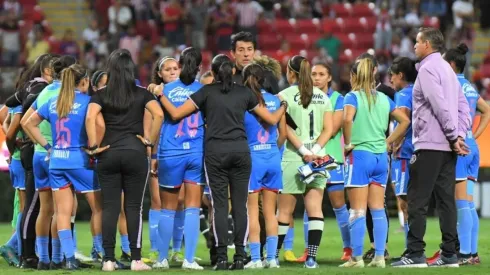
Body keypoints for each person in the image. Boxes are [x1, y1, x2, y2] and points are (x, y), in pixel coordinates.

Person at [155, 54, 286, 270]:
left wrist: (161, 95)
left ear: (214, 73)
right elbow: (271, 120)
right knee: (241, 207)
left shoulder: (206, 92)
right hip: (241, 152)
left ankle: (222, 257)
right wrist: (283, 105)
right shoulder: (245, 93)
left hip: (215, 152)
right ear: (233, 71)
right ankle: (241, 256)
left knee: (219, 206)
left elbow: (177, 114)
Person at [391, 27, 471, 268]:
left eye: (417, 42)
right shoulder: (447, 69)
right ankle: (450, 255)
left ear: (427, 44)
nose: (414, 46)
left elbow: (438, 105)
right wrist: (457, 135)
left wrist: (450, 133)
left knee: (417, 199)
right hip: (448, 148)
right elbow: (463, 107)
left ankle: (415, 253)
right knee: (446, 202)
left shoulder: (427, 70)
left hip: (429, 144)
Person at [85, 49, 164, 271]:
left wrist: (93, 146)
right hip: (135, 154)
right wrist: (149, 140)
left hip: (108, 153)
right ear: (131, 69)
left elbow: (90, 117)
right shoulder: (142, 93)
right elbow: (158, 114)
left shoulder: (101, 94)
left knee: (110, 207)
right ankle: (136, 259)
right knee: (133, 207)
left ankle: (108, 259)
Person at [23, 64, 103, 270]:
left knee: (62, 213)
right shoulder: (88, 102)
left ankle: (68, 258)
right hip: (80, 160)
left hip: (57, 160)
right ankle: (101, 254)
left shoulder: (52, 101)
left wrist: (48, 147)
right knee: (98, 209)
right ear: (84, 81)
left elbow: (29, 123)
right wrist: (93, 147)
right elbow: (101, 126)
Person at [340, 56, 410, 268]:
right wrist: (388, 141)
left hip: (360, 155)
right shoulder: (384, 98)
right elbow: (405, 121)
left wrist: (348, 143)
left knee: (358, 210)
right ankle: (380, 257)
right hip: (381, 157)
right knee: (378, 208)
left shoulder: (352, 97)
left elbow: (346, 119)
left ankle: (356, 258)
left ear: (354, 76)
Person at [428, 43, 490, 265]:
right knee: (469, 203)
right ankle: (472, 253)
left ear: (451, 64)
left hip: (460, 149)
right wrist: (474, 133)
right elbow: (487, 111)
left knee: (461, 202)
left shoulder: (451, 87)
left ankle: (462, 254)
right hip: (473, 147)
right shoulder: (471, 88)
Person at [274, 55, 333, 269]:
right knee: (315, 209)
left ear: (290, 72)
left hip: (293, 157)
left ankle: (273, 256)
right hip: (318, 159)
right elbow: (328, 129)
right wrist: (315, 151)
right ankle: (312, 259)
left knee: (284, 212)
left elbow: (285, 129)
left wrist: (302, 150)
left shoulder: (283, 96)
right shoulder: (323, 96)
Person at [152, 47, 205, 271]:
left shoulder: (164, 90)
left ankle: (162, 258)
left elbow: (156, 122)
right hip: (196, 152)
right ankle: (189, 259)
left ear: (180, 66)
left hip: (170, 152)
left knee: (167, 208)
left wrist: (153, 154)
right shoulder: (204, 90)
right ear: (200, 67)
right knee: (192, 208)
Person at [9, 54, 56, 269]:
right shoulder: (42, 89)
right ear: (45, 71)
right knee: (36, 204)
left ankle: (30, 254)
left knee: (36, 205)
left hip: (29, 147)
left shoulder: (28, 87)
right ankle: (29, 254)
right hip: (38, 148)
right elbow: (25, 106)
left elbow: (9, 105)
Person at [243, 63, 286, 269]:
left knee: (252, 211)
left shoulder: (244, 100)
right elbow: (284, 134)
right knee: (270, 212)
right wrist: (272, 150)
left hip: (253, 157)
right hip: (273, 157)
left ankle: (255, 259)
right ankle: (272, 258)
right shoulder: (276, 100)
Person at [147, 56, 185, 262]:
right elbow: (148, 127)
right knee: (157, 202)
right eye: (167, 69)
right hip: (159, 154)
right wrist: (151, 153)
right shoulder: (152, 97)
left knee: (181, 202)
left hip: (183, 153)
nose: (172, 72)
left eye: (175, 68)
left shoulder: (188, 93)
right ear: (159, 73)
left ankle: (177, 251)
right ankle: (156, 249)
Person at [388, 57, 417, 258]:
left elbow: (403, 122)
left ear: (400, 75)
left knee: (406, 202)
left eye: (392, 75)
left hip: (405, 153)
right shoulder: (418, 90)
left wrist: (390, 143)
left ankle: (412, 249)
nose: (390, 79)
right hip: (417, 151)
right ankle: (413, 247)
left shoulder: (403, 95)